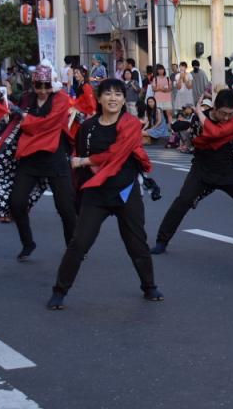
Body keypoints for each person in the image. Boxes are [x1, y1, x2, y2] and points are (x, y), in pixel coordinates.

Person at [47, 78, 160, 310]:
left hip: (125, 190)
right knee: (79, 243)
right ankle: (59, 290)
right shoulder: (88, 127)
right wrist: (83, 170)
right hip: (96, 193)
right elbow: (79, 153)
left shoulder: (130, 124)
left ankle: (149, 286)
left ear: (123, 99)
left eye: (118, 94)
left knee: (136, 243)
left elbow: (115, 153)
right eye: (107, 94)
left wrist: (85, 161)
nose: (113, 98)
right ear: (99, 98)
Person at [151, 89, 233, 254]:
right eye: (223, 113)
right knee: (182, 201)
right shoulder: (197, 120)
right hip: (202, 169)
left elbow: (217, 133)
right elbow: (196, 141)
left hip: (227, 171)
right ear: (215, 107)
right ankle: (161, 241)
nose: (227, 118)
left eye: (231, 113)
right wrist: (197, 119)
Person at [9, 66, 78, 261]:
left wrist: (25, 119)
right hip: (30, 157)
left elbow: (48, 124)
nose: (42, 90)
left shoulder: (61, 99)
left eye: (46, 85)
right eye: (38, 86)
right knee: (17, 202)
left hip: (54, 157)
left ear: (52, 84)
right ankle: (27, 243)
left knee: (65, 207)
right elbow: (14, 124)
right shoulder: (27, 99)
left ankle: (73, 246)